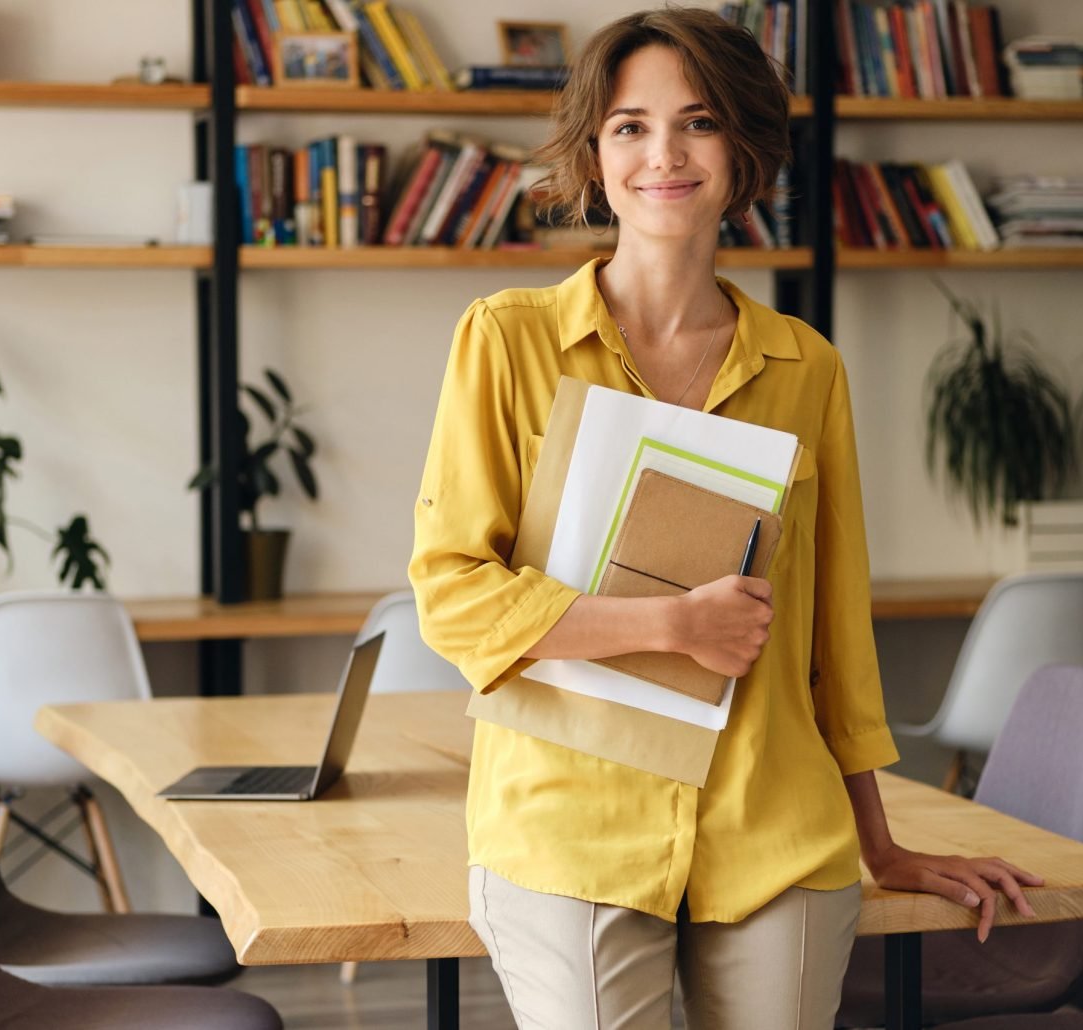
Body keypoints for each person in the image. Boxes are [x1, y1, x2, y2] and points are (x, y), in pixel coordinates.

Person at [409, 8, 1041, 1028]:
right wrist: (668, 624)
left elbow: (833, 637)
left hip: (776, 825)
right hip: (571, 826)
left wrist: (881, 844)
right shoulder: (506, 342)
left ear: (742, 151)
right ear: (594, 153)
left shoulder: (806, 367)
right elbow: (453, 596)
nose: (664, 154)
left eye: (697, 123)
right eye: (629, 126)